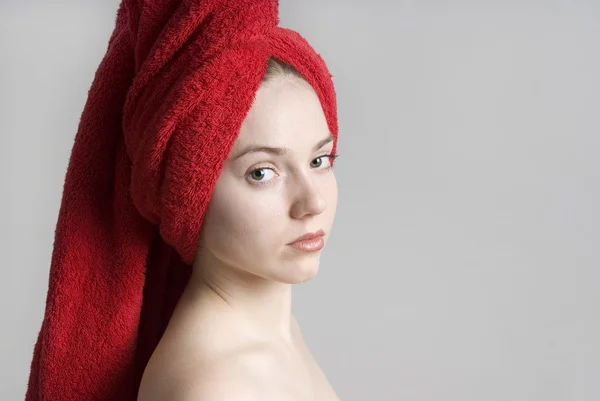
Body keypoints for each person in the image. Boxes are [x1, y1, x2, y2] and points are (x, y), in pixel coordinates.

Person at [136, 57, 341, 401]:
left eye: (319, 161)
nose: (313, 203)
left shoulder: (278, 337)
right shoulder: (218, 387)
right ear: (187, 192)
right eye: (261, 172)